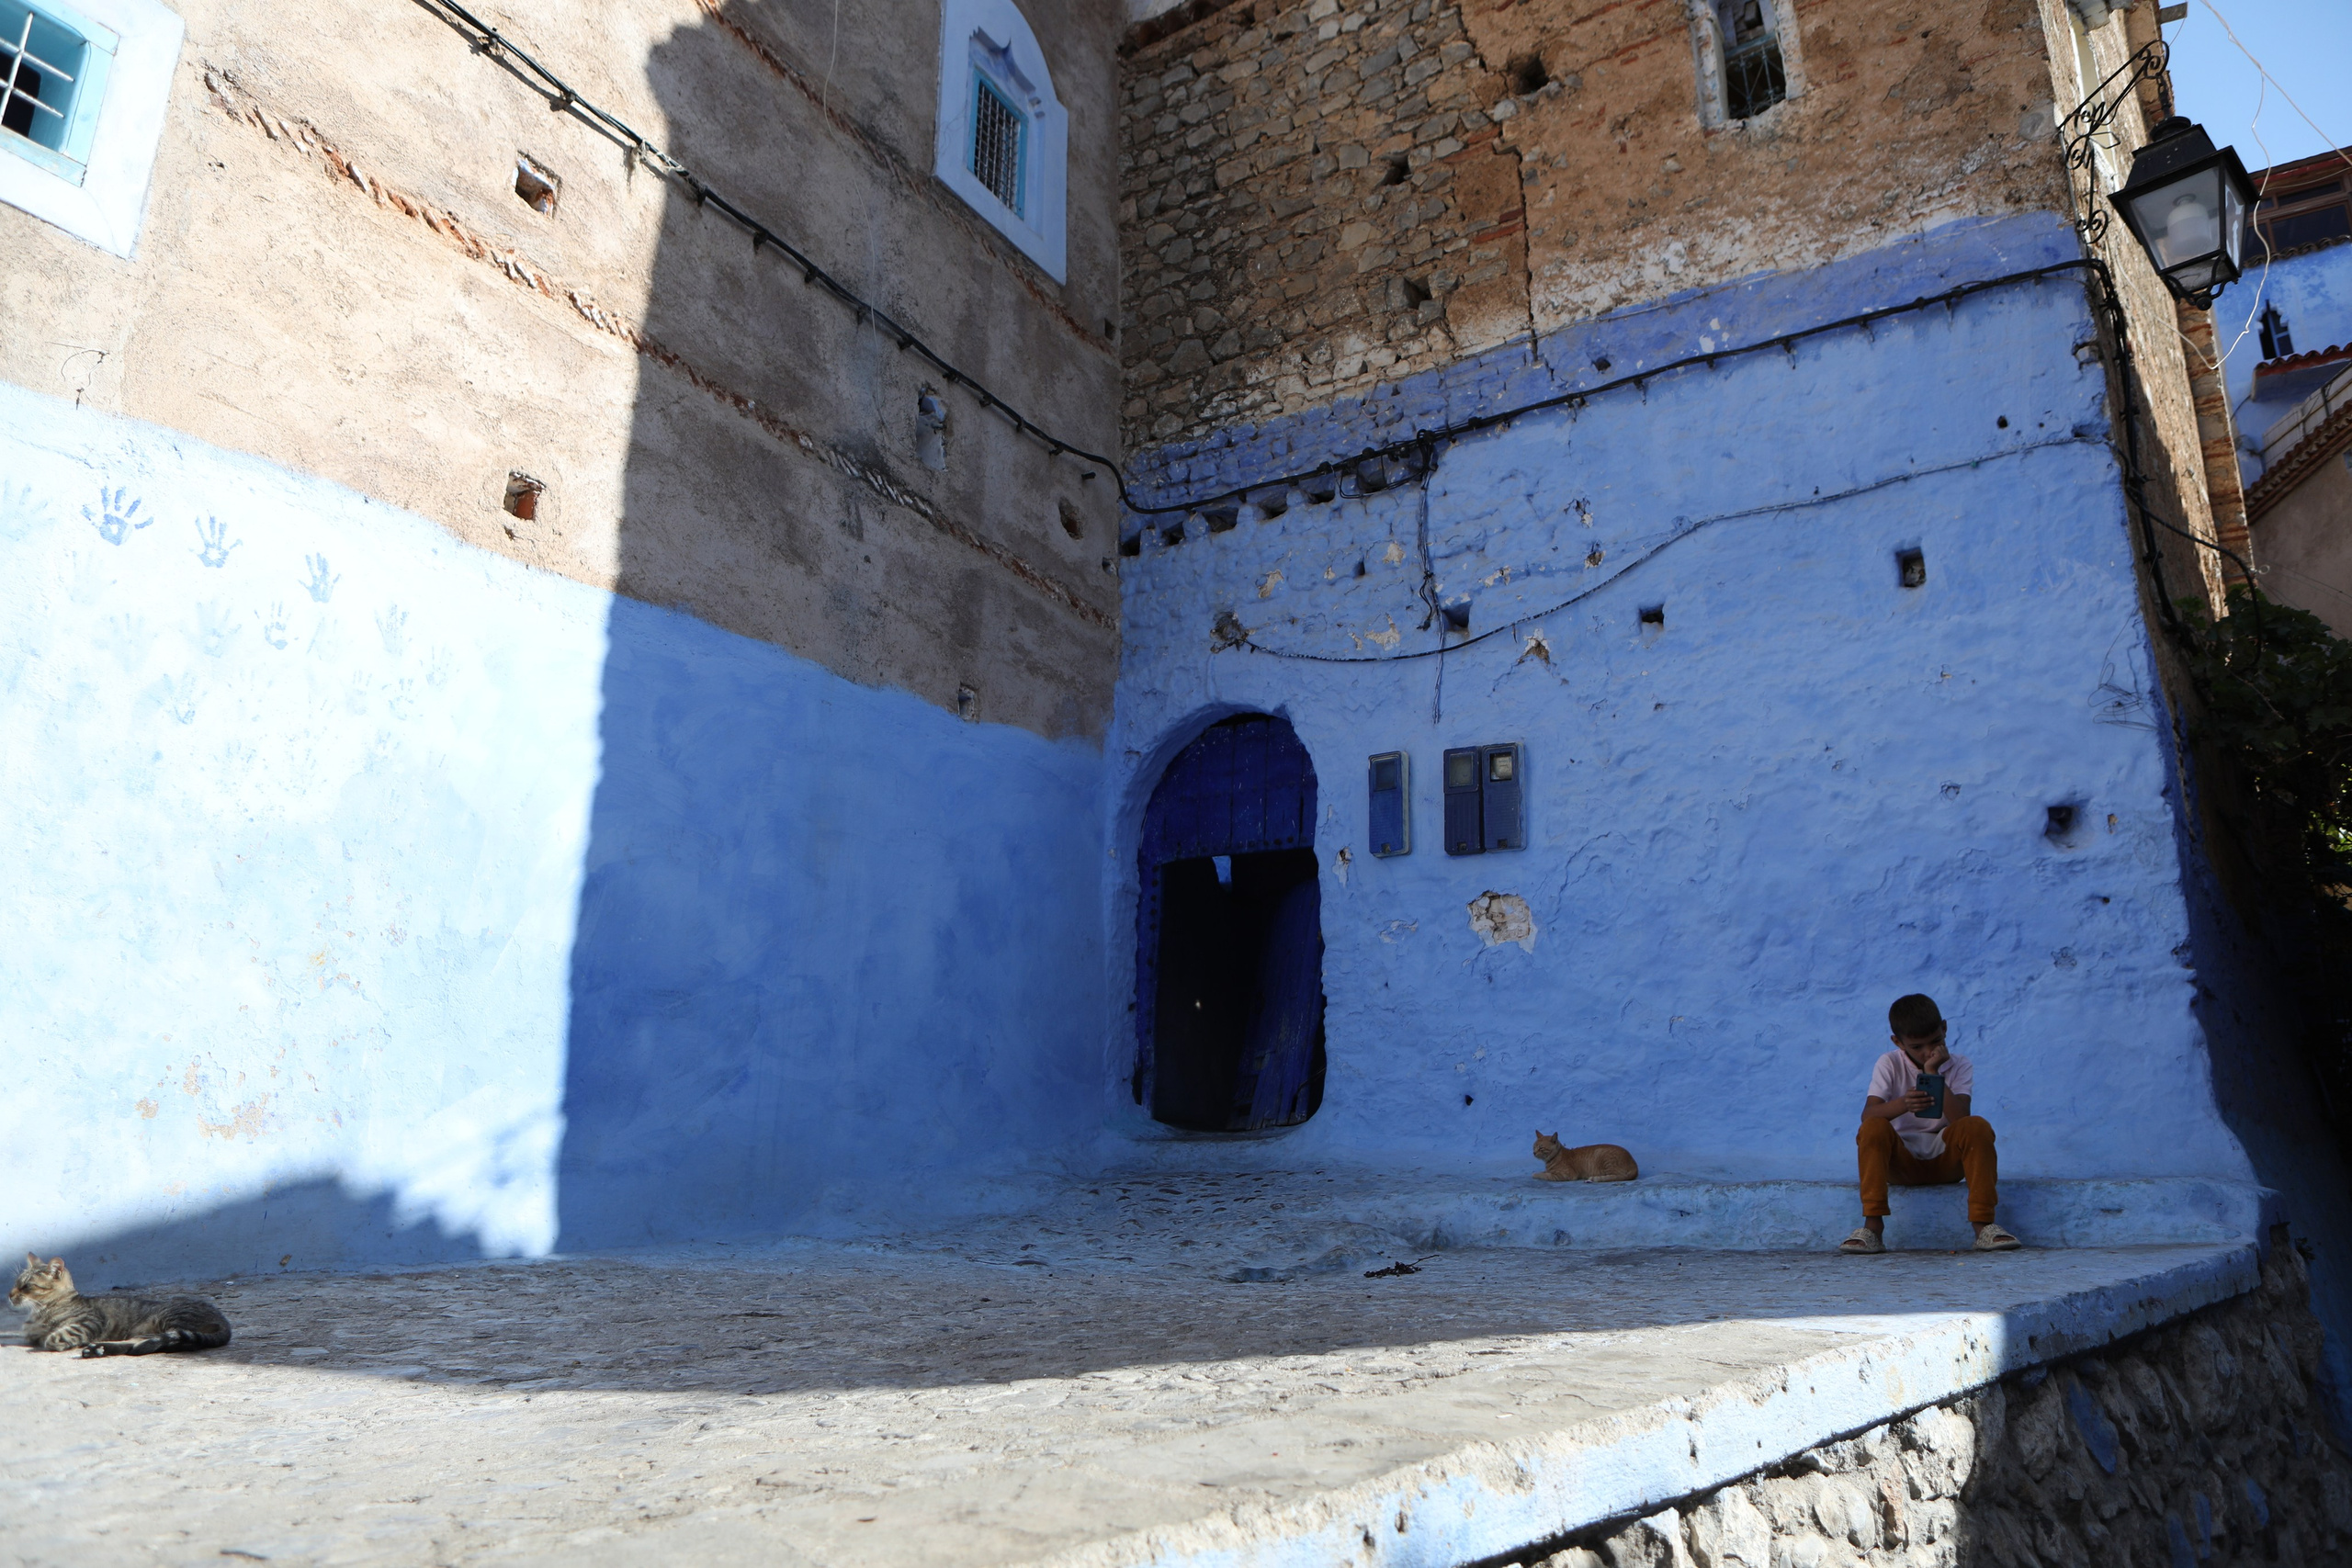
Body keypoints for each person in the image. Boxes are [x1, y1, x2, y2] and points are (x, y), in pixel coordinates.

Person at [1839, 994, 2020, 1254]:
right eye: (1917, 1046)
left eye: (1936, 1041)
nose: (1928, 1052)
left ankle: (1984, 1226)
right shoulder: (1889, 1063)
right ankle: (1872, 1228)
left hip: (1946, 1161)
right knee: (1873, 1128)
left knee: (1977, 1126)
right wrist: (1903, 1104)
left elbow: (1961, 1119)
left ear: (1945, 1029)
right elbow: (1868, 1115)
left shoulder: (1959, 1065)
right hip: (1901, 1163)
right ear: (1898, 1042)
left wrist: (1933, 1074)